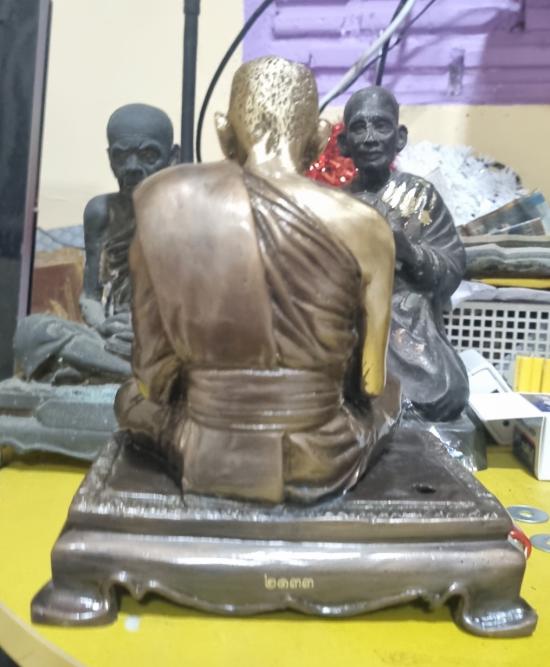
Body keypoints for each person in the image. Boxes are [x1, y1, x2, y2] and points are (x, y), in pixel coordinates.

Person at [116, 56, 400, 505]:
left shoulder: (164, 204)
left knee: (128, 397)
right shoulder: (366, 226)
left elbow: (152, 380)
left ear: (222, 131)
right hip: (321, 455)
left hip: (202, 449)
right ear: (321, 136)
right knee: (394, 394)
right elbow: (370, 384)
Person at [14, 104, 179, 383]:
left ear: (173, 156)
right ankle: (127, 373)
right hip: (108, 336)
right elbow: (90, 296)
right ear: (109, 157)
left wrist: (145, 327)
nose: (132, 168)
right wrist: (103, 325)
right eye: (121, 156)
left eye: (148, 155)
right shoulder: (100, 212)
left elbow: (196, 305)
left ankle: (108, 369)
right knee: (30, 330)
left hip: (160, 335)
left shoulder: (186, 211)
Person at [338, 87, 469, 422]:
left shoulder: (421, 196)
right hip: (348, 323)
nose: (370, 138)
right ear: (343, 144)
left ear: (399, 138)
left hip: (408, 325)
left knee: (448, 392)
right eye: (359, 128)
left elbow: (452, 267)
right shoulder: (334, 205)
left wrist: (408, 252)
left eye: (381, 126)